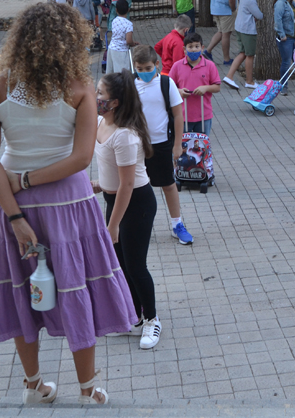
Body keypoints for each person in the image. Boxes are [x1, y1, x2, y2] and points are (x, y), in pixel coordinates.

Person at [0, 2, 134, 406]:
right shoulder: (80, 88)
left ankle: (33, 386)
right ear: (71, 41)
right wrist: (30, 179)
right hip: (69, 203)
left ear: (19, 40)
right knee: (77, 288)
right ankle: (87, 389)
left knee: (20, 289)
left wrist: (15, 212)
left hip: (12, 202)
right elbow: (81, 159)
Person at [91, 72, 162, 348]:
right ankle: (135, 316)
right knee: (121, 264)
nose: (96, 97)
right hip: (116, 201)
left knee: (135, 265)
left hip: (136, 204)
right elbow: (112, 173)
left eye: (100, 93)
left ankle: (152, 320)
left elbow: (128, 184)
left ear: (115, 102)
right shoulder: (101, 122)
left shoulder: (125, 136)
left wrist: (113, 225)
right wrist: (99, 185)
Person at [132, 46, 194, 244]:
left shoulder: (167, 84)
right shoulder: (130, 85)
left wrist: (177, 145)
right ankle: (134, 226)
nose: (144, 72)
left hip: (161, 144)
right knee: (133, 186)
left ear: (157, 65)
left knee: (168, 184)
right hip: (135, 145)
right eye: (139, 69)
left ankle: (177, 224)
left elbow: (178, 115)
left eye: (148, 68)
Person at [169, 32, 221, 136]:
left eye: (197, 46)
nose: (193, 49)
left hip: (204, 115)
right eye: (190, 47)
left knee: (202, 144)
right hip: (182, 115)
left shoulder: (210, 65)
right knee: (183, 143)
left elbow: (217, 87)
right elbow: (168, 86)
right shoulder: (177, 66)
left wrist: (206, 88)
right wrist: (179, 91)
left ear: (202, 48)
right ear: (184, 49)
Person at [224, 0, 264, 89]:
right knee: (250, 55)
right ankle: (249, 81)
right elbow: (259, 15)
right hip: (248, 30)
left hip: (240, 27)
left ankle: (229, 76)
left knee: (242, 53)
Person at [206, 0, 240, 66]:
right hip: (226, 10)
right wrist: (233, 8)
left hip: (215, 8)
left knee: (221, 31)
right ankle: (226, 59)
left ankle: (208, 51)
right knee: (226, 34)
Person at [274, 0, 295, 85]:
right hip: (287, 38)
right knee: (287, 62)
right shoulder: (280, 3)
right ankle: (283, 85)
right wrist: (282, 35)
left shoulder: (291, 2)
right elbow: (277, 20)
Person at [106, 0, 137, 75]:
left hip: (111, 48)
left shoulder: (114, 21)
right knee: (122, 74)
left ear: (116, 10)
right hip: (121, 51)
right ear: (128, 10)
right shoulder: (128, 24)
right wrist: (133, 43)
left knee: (111, 72)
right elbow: (128, 41)